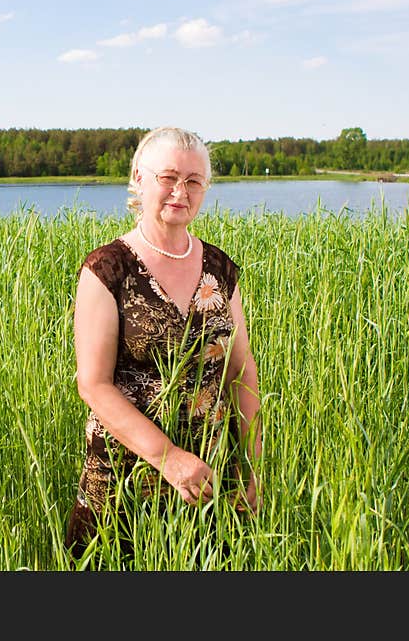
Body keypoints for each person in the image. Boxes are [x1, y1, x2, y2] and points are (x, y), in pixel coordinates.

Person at [65, 126, 262, 562]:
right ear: (138, 177)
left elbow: (240, 370)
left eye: (194, 181)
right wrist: (168, 457)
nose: (180, 191)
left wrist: (251, 465)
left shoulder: (220, 268)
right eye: (168, 177)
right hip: (125, 479)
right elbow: (93, 386)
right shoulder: (107, 269)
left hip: (209, 480)